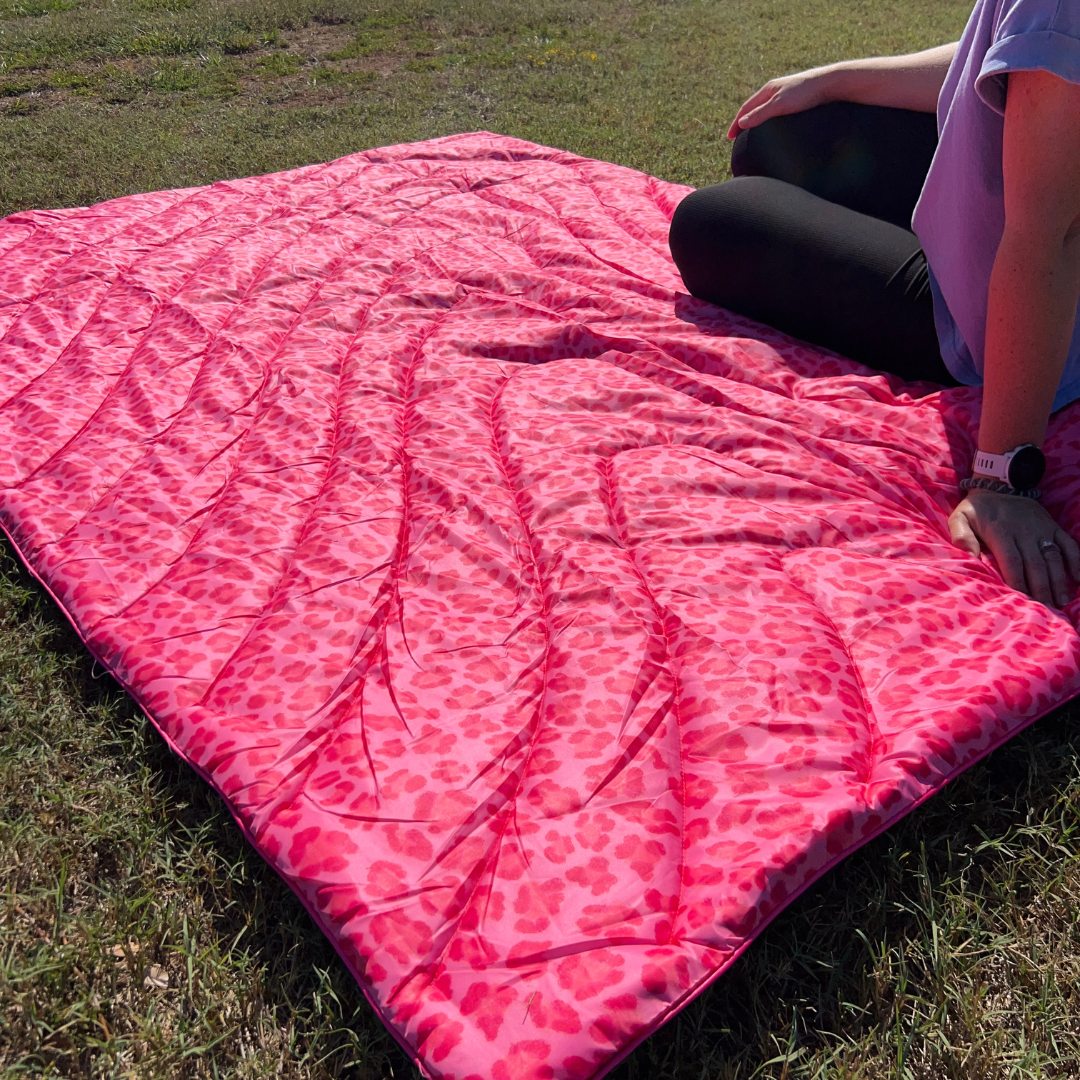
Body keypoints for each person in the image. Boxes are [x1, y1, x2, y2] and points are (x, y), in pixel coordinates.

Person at [668, 0, 1080, 609]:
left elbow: (1048, 236)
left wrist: (1003, 479)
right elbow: (1006, 60)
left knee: (712, 222)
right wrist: (833, 79)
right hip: (1015, 222)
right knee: (774, 138)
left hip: (1002, 312)